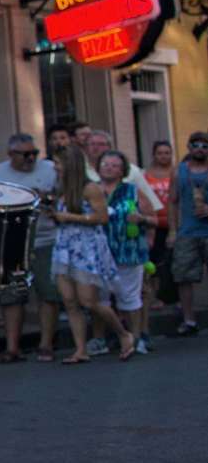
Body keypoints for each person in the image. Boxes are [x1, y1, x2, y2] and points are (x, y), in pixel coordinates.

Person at [51, 143, 134, 363]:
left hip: (86, 248)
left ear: (70, 164)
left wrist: (70, 217)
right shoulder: (60, 188)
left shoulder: (90, 188)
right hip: (64, 247)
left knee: (89, 301)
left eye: (58, 163)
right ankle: (80, 349)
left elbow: (102, 217)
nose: (55, 167)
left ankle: (124, 334)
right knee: (69, 301)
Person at [0, 134, 61, 360]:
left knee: (48, 293)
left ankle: (46, 344)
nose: (31, 158)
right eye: (25, 154)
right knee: (12, 295)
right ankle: (12, 347)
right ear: (10, 154)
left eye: (34, 153)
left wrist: (49, 198)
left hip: (46, 239)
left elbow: (68, 196)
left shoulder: (50, 169)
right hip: (13, 243)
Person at [100, 150, 159, 355]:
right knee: (101, 299)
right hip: (99, 254)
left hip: (128, 251)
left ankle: (135, 338)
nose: (109, 167)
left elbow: (154, 219)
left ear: (122, 170)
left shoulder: (132, 191)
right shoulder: (92, 190)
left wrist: (142, 220)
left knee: (130, 297)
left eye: (114, 165)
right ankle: (108, 338)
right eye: (105, 164)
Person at [172, 132, 208, 336]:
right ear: (188, 146)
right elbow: (172, 201)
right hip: (187, 231)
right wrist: (171, 230)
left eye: (205, 145)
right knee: (184, 276)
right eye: (196, 145)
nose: (201, 149)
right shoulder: (180, 172)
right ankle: (189, 320)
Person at [145, 140, 176, 317]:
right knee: (154, 262)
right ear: (154, 155)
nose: (163, 156)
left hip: (173, 223)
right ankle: (155, 297)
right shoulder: (146, 174)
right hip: (154, 223)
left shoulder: (177, 172)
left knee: (174, 262)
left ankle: (174, 297)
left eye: (167, 153)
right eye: (160, 153)